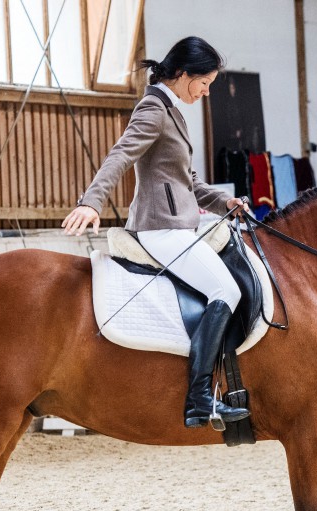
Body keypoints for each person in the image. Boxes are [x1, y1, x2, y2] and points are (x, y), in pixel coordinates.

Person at [62, 37, 251, 429]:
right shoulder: (153, 109)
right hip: (161, 229)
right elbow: (121, 155)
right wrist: (90, 201)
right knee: (227, 290)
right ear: (183, 74)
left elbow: (186, 181)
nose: (206, 91)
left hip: (182, 225)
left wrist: (223, 202)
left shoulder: (174, 111)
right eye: (204, 82)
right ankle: (200, 399)